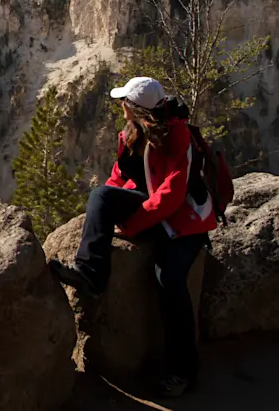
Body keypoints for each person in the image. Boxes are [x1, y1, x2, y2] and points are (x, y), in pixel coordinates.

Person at [48, 76, 217, 398]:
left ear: (136, 107)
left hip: (186, 220)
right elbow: (120, 177)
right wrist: (119, 208)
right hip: (157, 210)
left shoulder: (178, 134)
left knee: (169, 280)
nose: (120, 106)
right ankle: (91, 273)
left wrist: (133, 223)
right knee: (101, 196)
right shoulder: (131, 133)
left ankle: (184, 370)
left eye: (125, 101)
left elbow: (173, 193)